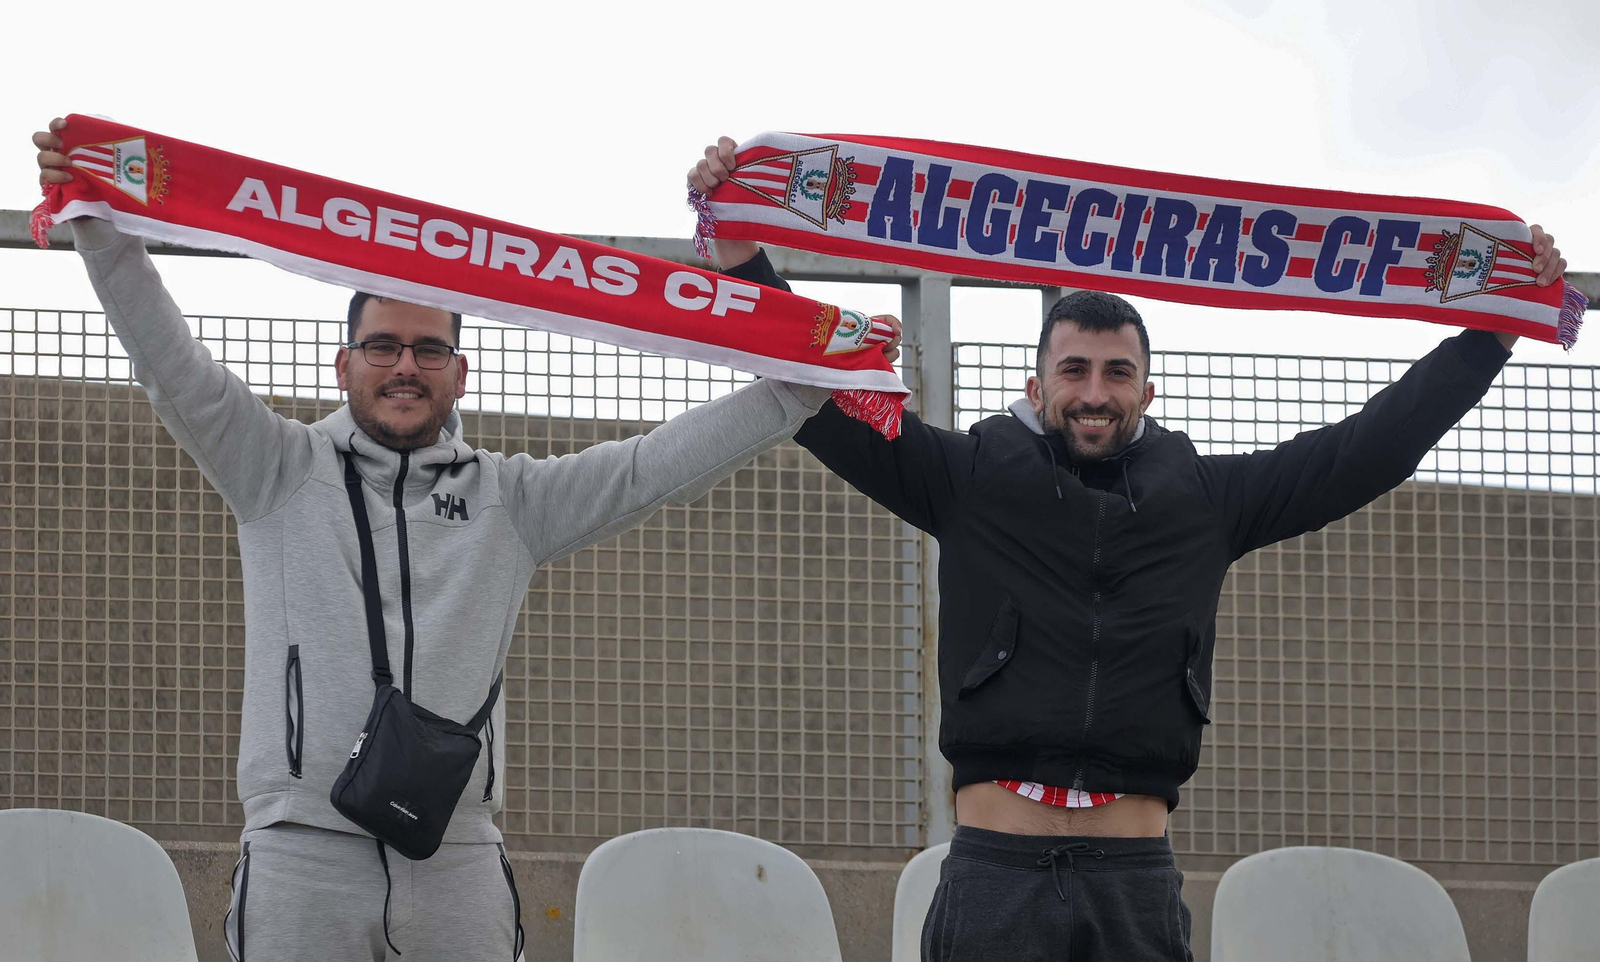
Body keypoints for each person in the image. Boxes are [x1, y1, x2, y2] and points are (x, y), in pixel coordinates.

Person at [31, 117, 899, 962]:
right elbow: (170, 364)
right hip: (299, 854)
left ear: (459, 371)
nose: (404, 365)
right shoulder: (276, 468)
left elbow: (653, 467)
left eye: (427, 349)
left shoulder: (510, 499)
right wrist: (98, 225)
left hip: (457, 857)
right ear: (344, 365)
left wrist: (808, 381)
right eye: (382, 346)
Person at [690, 136, 1568, 961]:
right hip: (994, 876)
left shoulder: (1208, 503)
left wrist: (1490, 334)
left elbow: (1366, 450)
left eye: (1116, 374)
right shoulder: (967, 479)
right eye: (1074, 371)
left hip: (1135, 888)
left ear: (1148, 390)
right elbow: (821, 392)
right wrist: (740, 258)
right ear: (1036, 387)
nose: (1094, 394)